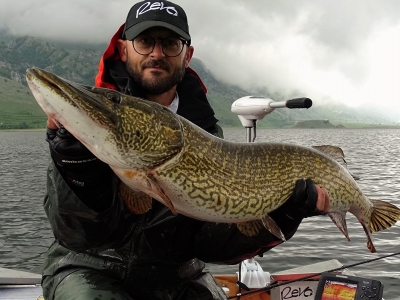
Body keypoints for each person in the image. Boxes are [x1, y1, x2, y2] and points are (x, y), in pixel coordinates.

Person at [41, 1, 329, 299]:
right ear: (124, 49)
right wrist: (77, 170)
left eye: (170, 43)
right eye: (145, 41)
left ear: (187, 55)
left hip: (176, 275)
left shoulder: (207, 135)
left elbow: (209, 244)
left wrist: (282, 215)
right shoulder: (95, 120)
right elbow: (74, 235)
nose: (157, 53)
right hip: (88, 267)